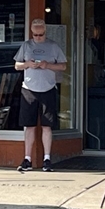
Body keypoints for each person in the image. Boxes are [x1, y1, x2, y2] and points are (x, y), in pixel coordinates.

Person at [14, 18, 67, 172]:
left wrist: (47, 65)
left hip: (48, 88)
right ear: (32, 33)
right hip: (29, 89)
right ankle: (27, 159)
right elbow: (17, 65)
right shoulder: (26, 45)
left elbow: (63, 66)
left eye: (41, 35)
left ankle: (47, 159)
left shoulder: (53, 46)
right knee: (29, 126)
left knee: (47, 125)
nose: (38, 37)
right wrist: (28, 64)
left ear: (45, 32)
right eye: (35, 35)